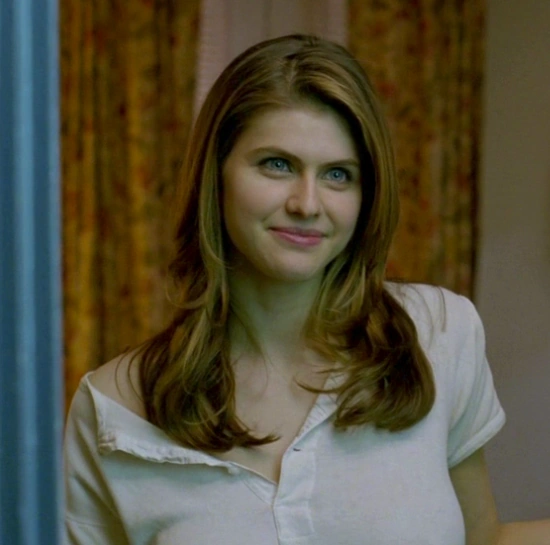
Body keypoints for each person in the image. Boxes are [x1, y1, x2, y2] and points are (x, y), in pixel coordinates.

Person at [63, 34, 549, 545]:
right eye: (277, 164)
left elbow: (482, 540)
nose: (307, 204)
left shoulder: (438, 334)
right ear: (216, 173)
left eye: (338, 174)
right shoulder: (114, 409)